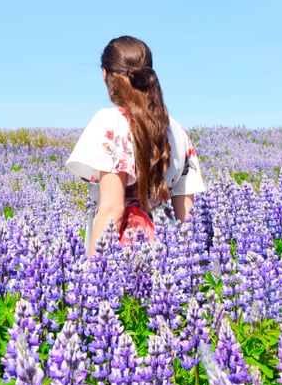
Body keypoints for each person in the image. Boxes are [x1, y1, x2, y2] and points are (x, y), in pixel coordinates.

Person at [66, 36, 205, 256]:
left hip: (122, 251)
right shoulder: (176, 131)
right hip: (167, 252)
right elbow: (186, 216)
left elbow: (113, 208)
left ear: (105, 75)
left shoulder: (110, 122)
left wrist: (93, 273)